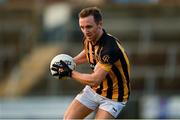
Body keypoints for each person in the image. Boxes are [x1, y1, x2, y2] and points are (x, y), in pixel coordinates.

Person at [51, 7, 131, 119]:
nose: (85, 31)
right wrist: (71, 62)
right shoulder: (88, 38)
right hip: (94, 90)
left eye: (88, 27)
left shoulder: (110, 49)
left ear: (100, 24)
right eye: (82, 27)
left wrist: (70, 72)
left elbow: (95, 80)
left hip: (114, 97)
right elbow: (88, 52)